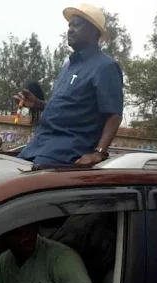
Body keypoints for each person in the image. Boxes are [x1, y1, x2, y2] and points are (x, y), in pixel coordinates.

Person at [14, 4, 123, 166]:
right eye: (69, 25)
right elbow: (69, 107)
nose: (70, 30)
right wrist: (38, 104)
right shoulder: (67, 66)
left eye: (76, 25)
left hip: (66, 153)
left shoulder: (105, 67)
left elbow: (114, 114)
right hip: (38, 147)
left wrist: (99, 153)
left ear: (94, 31)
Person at [0, 224, 93, 283]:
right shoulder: (1, 264)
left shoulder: (62, 258)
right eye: (17, 231)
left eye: (29, 228)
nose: (26, 236)